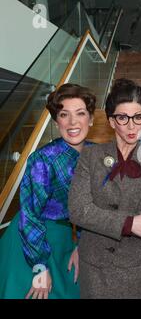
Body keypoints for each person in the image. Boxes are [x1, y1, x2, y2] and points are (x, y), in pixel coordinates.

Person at [68, 79, 141, 299]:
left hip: (132, 267)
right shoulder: (90, 156)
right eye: (123, 118)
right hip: (93, 265)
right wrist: (129, 223)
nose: (131, 126)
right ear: (112, 121)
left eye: (138, 117)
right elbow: (77, 210)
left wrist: (98, 214)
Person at [0, 83, 96, 299]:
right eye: (64, 115)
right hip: (32, 239)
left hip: (66, 237)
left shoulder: (97, 154)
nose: (73, 122)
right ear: (56, 122)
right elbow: (30, 214)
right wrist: (39, 267)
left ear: (90, 119)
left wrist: (83, 244)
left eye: (80, 113)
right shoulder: (43, 159)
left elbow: (98, 206)